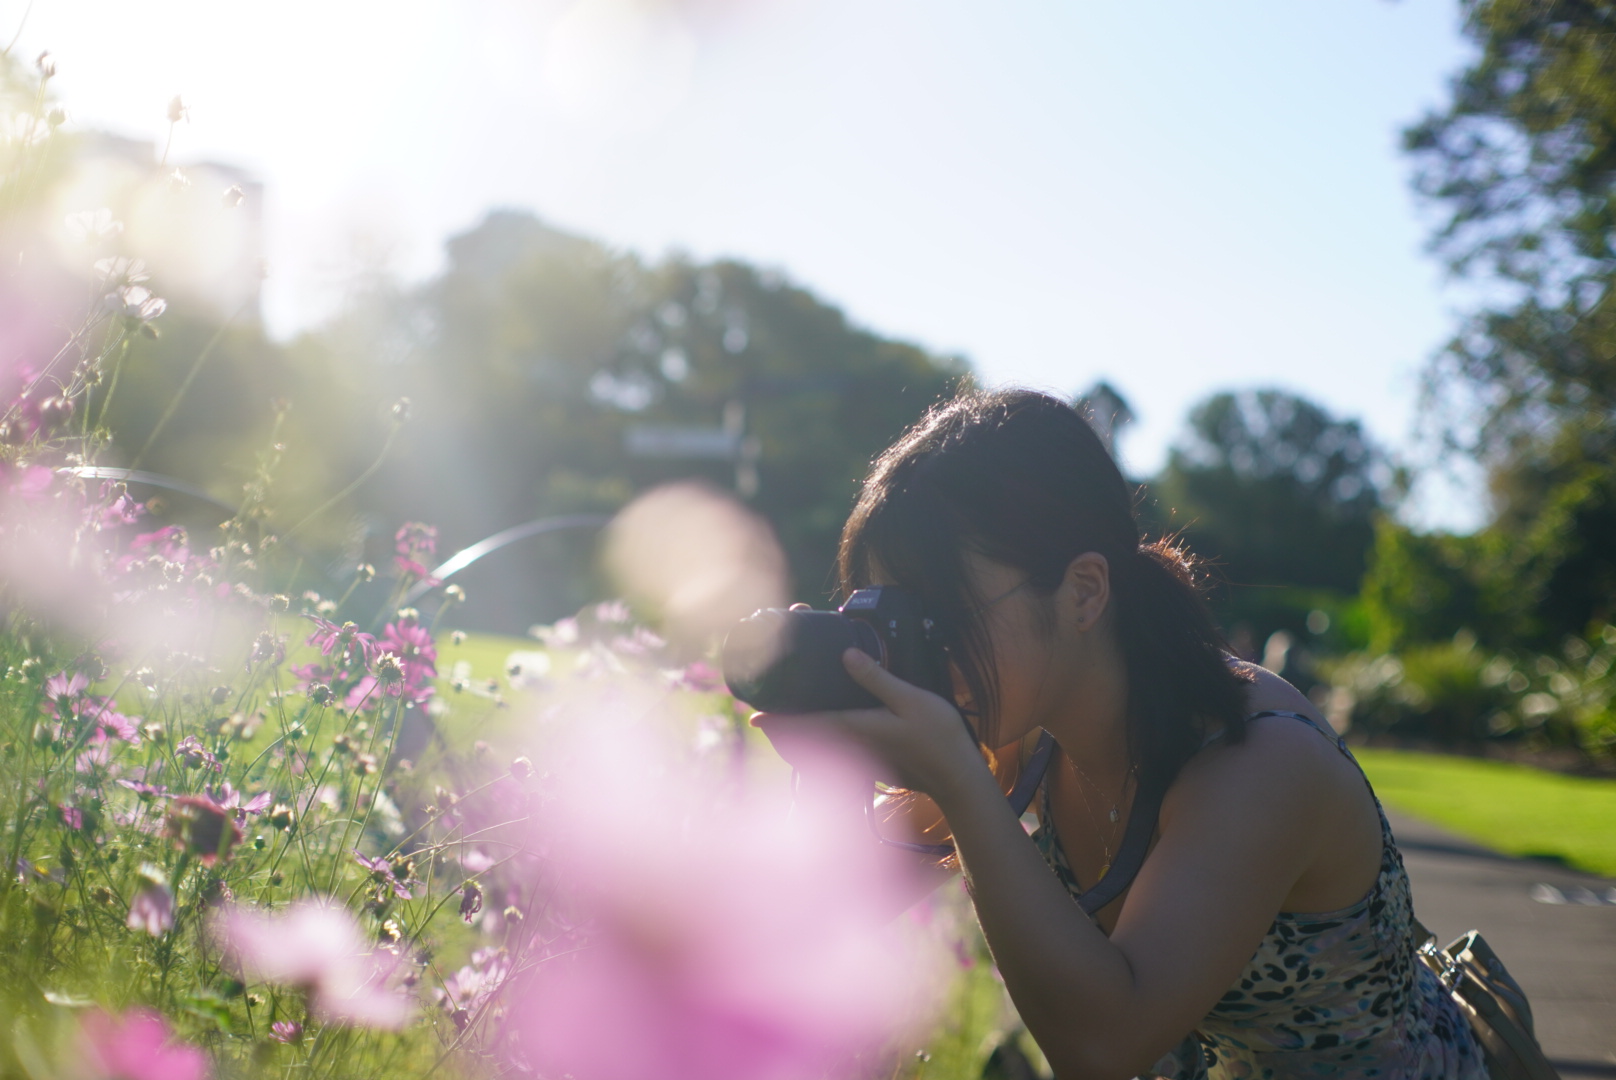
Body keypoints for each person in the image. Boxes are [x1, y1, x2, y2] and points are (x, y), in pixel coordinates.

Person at [752, 389, 1486, 1080]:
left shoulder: (1260, 761)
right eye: (902, 618)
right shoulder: (1016, 736)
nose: (928, 650)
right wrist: (831, 766)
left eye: (948, 616)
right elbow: (815, 916)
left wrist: (959, 784)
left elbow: (1106, 1046)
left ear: (1084, 590)